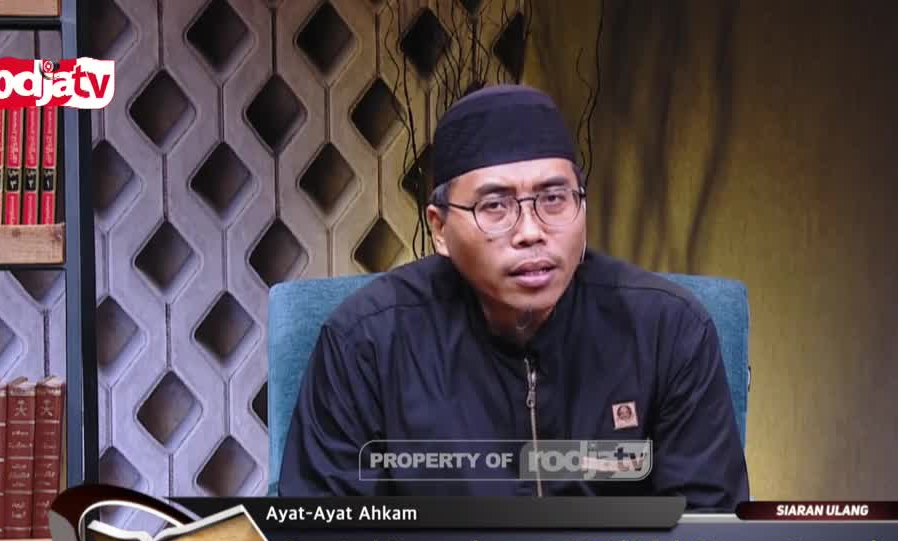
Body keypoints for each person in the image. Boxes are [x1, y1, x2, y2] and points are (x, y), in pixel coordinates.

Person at [277, 83, 749, 507]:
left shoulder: (668, 330)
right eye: (495, 206)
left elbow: (711, 539)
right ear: (439, 230)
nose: (530, 232)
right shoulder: (367, 343)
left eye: (553, 199)